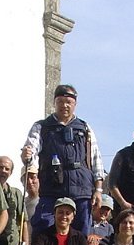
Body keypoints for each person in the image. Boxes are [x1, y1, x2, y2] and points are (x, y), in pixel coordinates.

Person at [22, 83, 104, 235]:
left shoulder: (85, 128)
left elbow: (95, 159)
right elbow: (31, 148)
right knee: (43, 227)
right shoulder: (41, 127)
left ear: (75, 104)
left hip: (81, 189)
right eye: (60, 101)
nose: (64, 105)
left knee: (80, 233)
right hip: (51, 187)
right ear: (54, 102)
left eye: (69, 102)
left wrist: (98, 190)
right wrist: (27, 156)